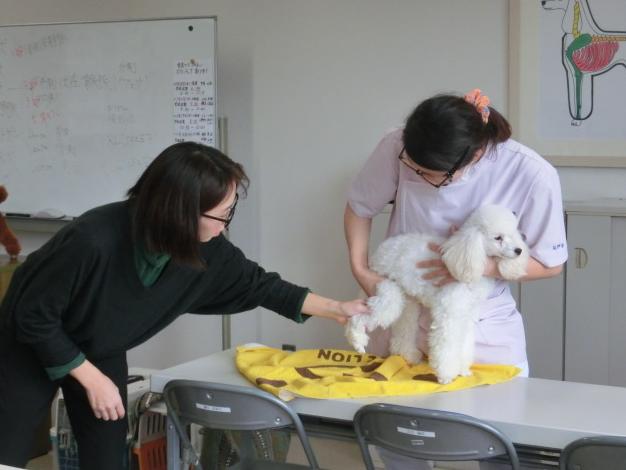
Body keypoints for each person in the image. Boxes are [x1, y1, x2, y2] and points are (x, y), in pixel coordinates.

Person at [0, 142, 369, 470]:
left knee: (107, 450)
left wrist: (338, 309)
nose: (224, 225)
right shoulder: (93, 239)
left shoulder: (207, 247)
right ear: (179, 210)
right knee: (8, 448)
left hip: (100, 346)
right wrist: (89, 375)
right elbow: (32, 315)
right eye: (221, 214)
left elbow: (261, 285)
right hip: (28, 343)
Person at [344, 89, 567, 469]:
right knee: (400, 437)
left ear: (474, 156)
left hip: (480, 322)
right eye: (412, 169)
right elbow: (359, 207)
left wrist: (475, 265)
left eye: (430, 175)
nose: (416, 175)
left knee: (499, 441)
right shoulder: (401, 145)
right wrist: (361, 270)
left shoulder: (530, 172)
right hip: (407, 309)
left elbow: (551, 263)